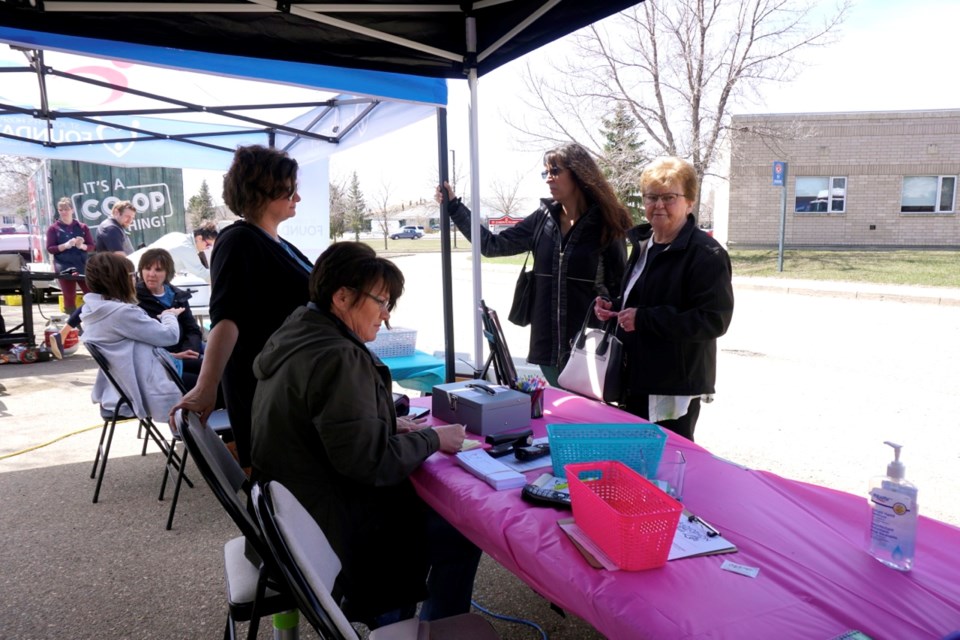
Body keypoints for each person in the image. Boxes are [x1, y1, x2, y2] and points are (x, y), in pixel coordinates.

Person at [250, 241, 480, 627]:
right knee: (461, 529)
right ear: (342, 297)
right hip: (336, 530)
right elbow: (369, 463)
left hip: (295, 516)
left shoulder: (299, 332)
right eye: (381, 302)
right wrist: (434, 439)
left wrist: (386, 421)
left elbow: (318, 418)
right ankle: (412, 627)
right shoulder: (341, 356)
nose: (386, 315)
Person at [436, 142, 631, 386]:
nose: (548, 179)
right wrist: (455, 206)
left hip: (589, 349)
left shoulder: (606, 222)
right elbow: (492, 245)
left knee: (582, 417)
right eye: (545, 173)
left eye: (555, 171)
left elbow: (620, 289)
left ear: (579, 173)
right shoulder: (543, 218)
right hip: (547, 347)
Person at [171, 145, 312, 472]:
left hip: (291, 385)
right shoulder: (239, 240)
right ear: (265, 188)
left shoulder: (276, 242)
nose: (297, 198)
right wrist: (206, 388)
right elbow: (227, 318)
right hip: (266, 392)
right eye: (291, 189)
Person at [595, 156, 734, 441]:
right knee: (635, 462)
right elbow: (644, 294)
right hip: (634, 376)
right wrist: (615, 305)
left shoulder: (706, 254)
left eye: (669, 197)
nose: (658, 205)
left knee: (667, 465)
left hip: (671, 384)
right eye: (651, 197)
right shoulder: (645, 244)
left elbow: (713, 320)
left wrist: (644, 319)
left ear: (690, 202)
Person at [80, 252, 183, 420]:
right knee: (218, 379)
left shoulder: (93, 309)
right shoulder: (121, 313)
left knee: (204, 363)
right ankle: (199, 438)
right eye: (133, 275)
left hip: (125, 384)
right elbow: (170, 336)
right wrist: (169, 315)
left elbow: (131, 350)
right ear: (121, 279)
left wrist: (167, 355)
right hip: (145, 388)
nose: (136, 279)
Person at [135, 248, 204, 389]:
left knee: (220, 370)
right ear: (140, 270)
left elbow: (192, 329)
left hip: (184, 353)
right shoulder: (135, 299)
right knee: (207, 383)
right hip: (161, 360)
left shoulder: (177, 295)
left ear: (168, 273)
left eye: (158, 270)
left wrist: (190, 350)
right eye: (147, 268)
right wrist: (175, 355)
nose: (152, 274)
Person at [46, 197, 94, 314]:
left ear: (72, 210)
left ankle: (92, 317)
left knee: (91, 293)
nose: (63, 212)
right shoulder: (53, 229)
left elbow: (92, 246)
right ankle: (72, 323)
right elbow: (50, 248)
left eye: (66, 209)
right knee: (69, 295)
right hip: (64, 265)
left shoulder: (82, 227)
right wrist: (65, 245)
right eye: (61, 210)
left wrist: (82, 246)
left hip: (82, 264)